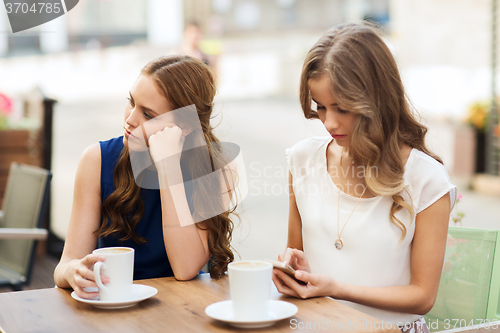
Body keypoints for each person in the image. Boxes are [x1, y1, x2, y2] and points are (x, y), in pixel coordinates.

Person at [272, 23, 456, 333]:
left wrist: (336, 288)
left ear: (377, 100)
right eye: (320, 107)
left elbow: (423, 297)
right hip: (316, 326)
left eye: (342, 108)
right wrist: (294, 270)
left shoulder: (426, 179)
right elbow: (297, 255)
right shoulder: (303, 160)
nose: (329, 122)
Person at [54, 55, 236, 299]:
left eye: (148, 114)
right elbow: (64, 265)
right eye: (131, 102)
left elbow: (185, 268)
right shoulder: (96, 160)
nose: (130, 120)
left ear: (184, 127)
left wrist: (168, 167)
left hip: (180, 311)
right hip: (111, 307)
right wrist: (72, 272)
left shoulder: (215, 172)